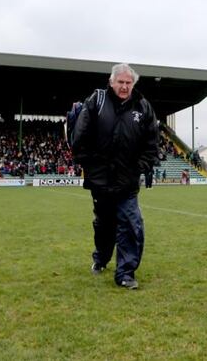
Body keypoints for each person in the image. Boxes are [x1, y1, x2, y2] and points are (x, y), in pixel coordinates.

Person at [71, 64, 158, 290]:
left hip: (127, 182)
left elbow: (152, 145)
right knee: (105, 226)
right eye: (120, 82)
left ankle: (125, 273)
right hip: (100, 181)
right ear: (111, 82)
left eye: (129, 83)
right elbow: (80, 137)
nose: (124, 86)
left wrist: (138, 167)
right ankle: (101, 258)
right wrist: (90, 166)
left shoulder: (143, 107)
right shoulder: (96, 102)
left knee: (131, 224)